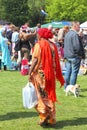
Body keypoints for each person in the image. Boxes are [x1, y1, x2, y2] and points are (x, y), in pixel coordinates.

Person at [28, 28, 65, 126]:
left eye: (38, 34)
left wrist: (30, 71)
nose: (37, 35)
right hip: (51, 74)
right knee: (50, 95)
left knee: (41, 95)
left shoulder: (39, 45)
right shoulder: (53, 45)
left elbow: (35, 60)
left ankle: (44, 115)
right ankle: (51, 118)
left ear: (41, 35)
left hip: (40, 74)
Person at [64, 21, 85, 90]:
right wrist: (80, 55)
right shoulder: (74, 34)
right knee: (74, 72)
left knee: (68, 71)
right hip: (74, 56)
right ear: (75, 26)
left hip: (68, 55)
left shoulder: (67, 34)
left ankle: (66, 87)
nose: (79, 28)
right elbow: (77, 46)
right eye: (78, 26)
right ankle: (72, 87)